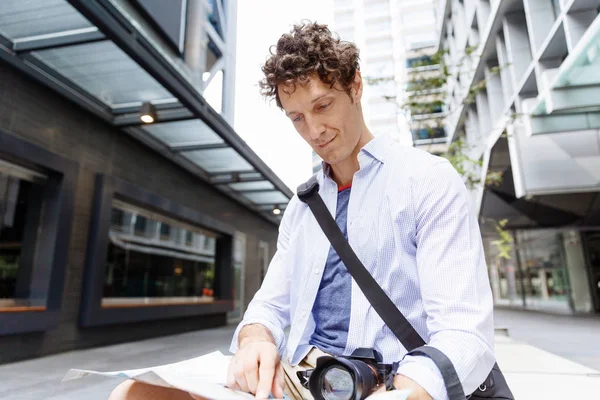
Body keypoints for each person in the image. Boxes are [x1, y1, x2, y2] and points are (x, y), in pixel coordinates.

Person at [108, 21, 495, 400]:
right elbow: (270, 305)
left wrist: (411, 392)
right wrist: (255, 340)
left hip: (396, 382)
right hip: (306, 379)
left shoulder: (427, 180)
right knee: (135, 393)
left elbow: (464, 332)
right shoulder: (302, 207)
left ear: (355, 86)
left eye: (323, 105)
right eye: (297, 118)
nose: (313, 131)